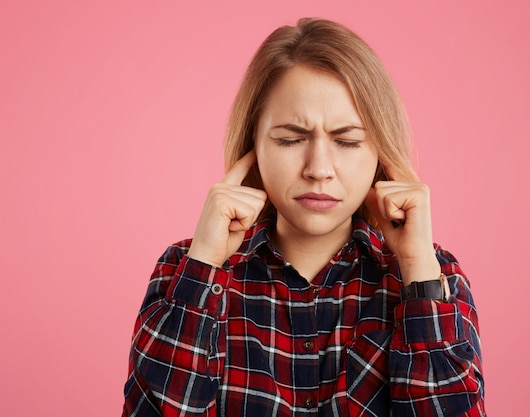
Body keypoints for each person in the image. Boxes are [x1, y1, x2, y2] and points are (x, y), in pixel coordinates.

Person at [122, 17, 485, 417]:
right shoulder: (183, 272)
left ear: (380, 153)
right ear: (253, 146)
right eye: (290, 139)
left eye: (347, 141)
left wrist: (416, 268)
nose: (318, 168)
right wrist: (205, 262)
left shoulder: (436, 277)